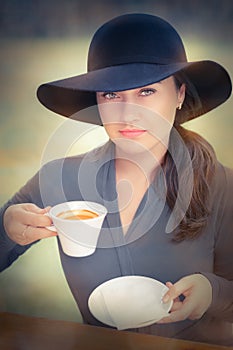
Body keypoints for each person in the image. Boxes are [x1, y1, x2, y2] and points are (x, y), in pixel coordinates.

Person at [0, 13, 233, 346]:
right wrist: (6, 231)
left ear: (180, 94)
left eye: (147, 91)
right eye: (111, 95)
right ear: (96, 99)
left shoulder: (223, 187)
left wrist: (213, 293)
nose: (128, 113)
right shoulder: (59, 177)